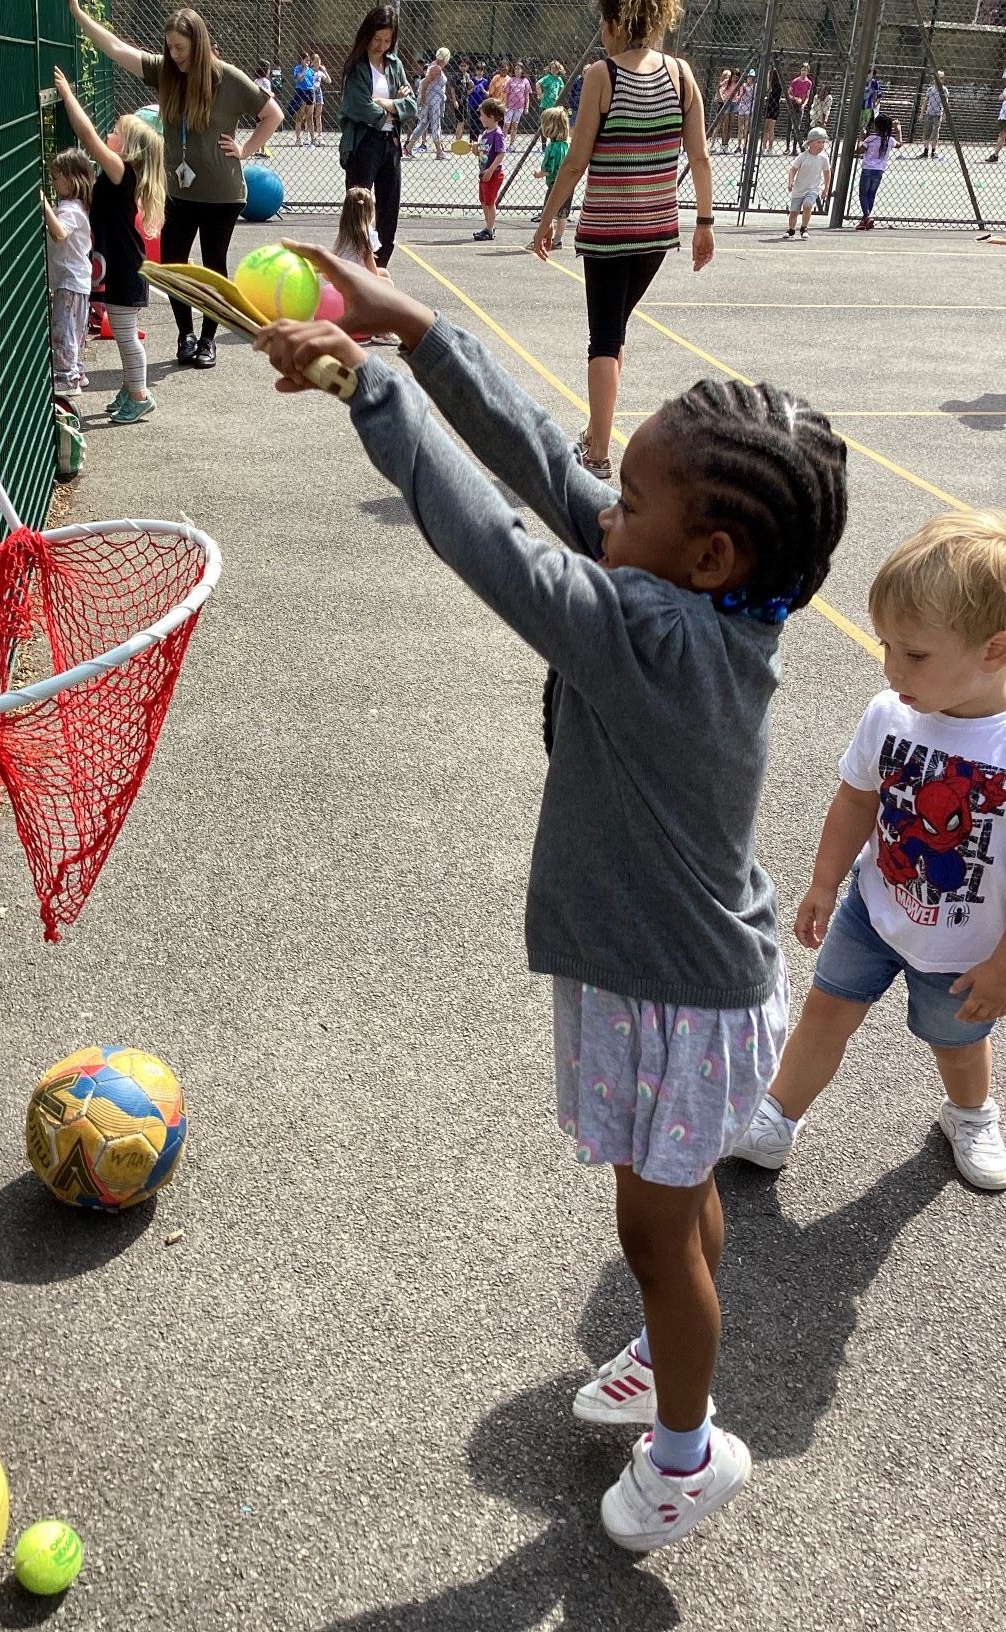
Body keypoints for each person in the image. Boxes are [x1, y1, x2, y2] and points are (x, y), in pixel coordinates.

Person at [254, 240, 849, 1551]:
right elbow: (547, 463)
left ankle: (686, 1455)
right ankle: (667, 1348)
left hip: (675, 999)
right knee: (682, 1214)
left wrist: (371, 387)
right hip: (694, 982)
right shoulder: (705, 601)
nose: (603, 510)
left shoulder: (652, 635)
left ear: (709, 551)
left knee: (654, 1229)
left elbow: (498, 545)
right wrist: (415, 326)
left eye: (630, 503)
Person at [733, 511, 1006, 1193]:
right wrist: (826, 883)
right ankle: (777, 1115)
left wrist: (1002, 964)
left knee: (958, 1040)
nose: (890, 666)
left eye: (914, 654)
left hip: (968, 947)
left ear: (993, 651)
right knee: (825, 1013)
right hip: (874, 909)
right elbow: (857, 799)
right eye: (886, 644)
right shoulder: (890, 714)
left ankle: (970, 1114)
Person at [533, 0, 714, 482]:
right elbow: (698, 156)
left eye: (602, 23)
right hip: (657, 232)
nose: (601, 31)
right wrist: (704, 221)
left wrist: (547, 219)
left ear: (617, 23)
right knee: (616, 332)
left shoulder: (601, 76)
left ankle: (597, 454)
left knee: (603, 338)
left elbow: (576, 161)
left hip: (609, 231)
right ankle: (596, 433)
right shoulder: (680, 74)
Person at [68, 1, 282, 369]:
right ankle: (185, 336)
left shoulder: (228, 78)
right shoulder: (166, 71)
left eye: (180, 48)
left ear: (197, 45)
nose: (173, 54)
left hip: (222, 194)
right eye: (169, 46)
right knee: (172, 263)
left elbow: (272, 113)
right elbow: (119, 50)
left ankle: (207, 340)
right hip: (179, 191)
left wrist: (245, 149)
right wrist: (78, 14)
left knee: (214, 267)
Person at [53, 66, 164, 424]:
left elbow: (87, 136)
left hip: (125, 270)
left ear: (128, 147)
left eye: (115, 133)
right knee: (123, 333)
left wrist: (68, 94)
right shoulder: (121, 173)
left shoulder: (121, 170)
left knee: (127, 337)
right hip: (120, 266)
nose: (108, 134)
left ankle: (139, 394)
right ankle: (132, 388)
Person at [338, 6, 417, 267]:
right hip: (363, 144)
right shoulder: (356, 67)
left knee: (389, 210)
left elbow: (413, 106)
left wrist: (384, 102)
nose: (382, 45)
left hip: (390, 144)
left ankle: (380, 267)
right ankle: (356, 265)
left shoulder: (394, 64)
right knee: (360, 206)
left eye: (387, 40)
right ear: (367, 34)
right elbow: (357, 105)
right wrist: (394, 107)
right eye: (377, 39)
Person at [41, 148, 95, 397]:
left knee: (64, 330)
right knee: (75, 329)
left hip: (70, 280)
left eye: (55, 178)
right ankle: (77, 371)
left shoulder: (70, 209)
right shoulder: (76, 206)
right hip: (76, 279)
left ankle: (66, 377)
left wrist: (43, 205)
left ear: (72, 178)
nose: (52, 184)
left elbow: (60, 233)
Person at [530, 105, 573, 249]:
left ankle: (542, 238)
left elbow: (548, 168)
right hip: (568, 185)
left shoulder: (552, 147)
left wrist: (539, 174)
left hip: (556, 184)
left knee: (548, 213)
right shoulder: (567, 145)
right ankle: (558, 240)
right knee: (563, 214)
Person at [783, 126, 830, 240]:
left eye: (823, 142)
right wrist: (790, 181)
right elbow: (793, 170)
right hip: (799, 189)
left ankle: (804, 228)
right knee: (794, 213)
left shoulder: (823, 158)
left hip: (813, 188)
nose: (821, 145)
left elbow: (827, 173)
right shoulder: (803, 156)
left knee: (807, 206)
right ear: (810, 143)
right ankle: (791, 230)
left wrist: (825, 189)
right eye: (819, 142)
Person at [856, 112, 901, 229]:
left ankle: (866, 216)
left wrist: (862, 137)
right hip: (879, 170)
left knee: (863, 194)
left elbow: (860, 150)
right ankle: (865, 220)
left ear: (876, 126)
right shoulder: (889, 140)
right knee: (871, 194)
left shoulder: (871, 139)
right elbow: (899, 144)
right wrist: (898, 130)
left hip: (867, 169)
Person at [405, 46, 450, 160]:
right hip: (433, 100)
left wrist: (424, 97)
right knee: (435, 124)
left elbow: (426, 83)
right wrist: (423, 97)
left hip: (432, 99)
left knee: (423, 123)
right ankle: (439, 152)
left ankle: (408, 148)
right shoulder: (437, 68)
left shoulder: (434, 66)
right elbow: (425, 82)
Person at [472, 97, 506, 241]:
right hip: (484, 173)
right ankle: (488, 226)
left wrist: (491, 169)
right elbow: (480, 152)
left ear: (491, 117)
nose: (480, 118)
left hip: (494, 173)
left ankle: (489, 230)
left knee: (490, 203)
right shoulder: (485, 133)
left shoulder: (497, 134)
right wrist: (475, 149)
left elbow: (501, 153)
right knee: (483, 201)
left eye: (483, 115)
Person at [538, 58, 567, 147]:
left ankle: (552, 142)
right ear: (550, 69)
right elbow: (538, 84)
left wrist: (559, 96)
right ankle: (543, 145)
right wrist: (540, 94)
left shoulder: (559, 79)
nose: (554, 70)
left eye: (556, 69)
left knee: (553, 125)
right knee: (544, 124)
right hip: (545, 105)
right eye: (553, 68)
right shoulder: (547, 78)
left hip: (554, 105)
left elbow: (562, 87)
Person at [503, 60, 532, 148]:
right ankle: (502, 143)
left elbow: (527, 95)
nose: (517, 70)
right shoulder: (510, 80)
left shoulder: (525, 81)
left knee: (515, 125)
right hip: (509, 105)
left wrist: (526, 107)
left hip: (519, 106)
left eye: (519, 69)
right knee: (506, 124)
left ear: (522, 70)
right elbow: (506, 94)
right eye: (516, 69)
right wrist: (504, 105)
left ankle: (511, 144)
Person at [787, 61, 812, 153]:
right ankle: (787, 147)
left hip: (800, 107)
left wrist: (804, 105)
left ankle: (794, 148)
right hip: (793, 105)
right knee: (789, 127)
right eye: (802, 70)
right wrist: (795, 98)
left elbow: (808, 97)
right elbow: (788, 94)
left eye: (805, 70)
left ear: (807, 72)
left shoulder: (809, 83)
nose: (803, 72)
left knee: (797, 127)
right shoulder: (795, 81)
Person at [920, 71, 944, 158]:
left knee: (935, 133)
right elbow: (925, 102)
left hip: (938, 114)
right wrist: (922, 113)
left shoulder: (944, 90)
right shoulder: (930, 89)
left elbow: (946, 103)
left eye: (940, 78)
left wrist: (944, 114)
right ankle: (926, 151)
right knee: (927, 132)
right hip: (929, 113)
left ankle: (933, 151)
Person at [311, 53, 332, 146]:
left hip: (318, 92)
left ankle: (320, 135)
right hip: (310, 92)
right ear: (312, 62)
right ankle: (310, 136)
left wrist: (325, 71)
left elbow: (329, 80)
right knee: (309, 114)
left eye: (318, 62)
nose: (317, 63)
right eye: (315, 62)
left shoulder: (320, 73)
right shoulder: (310, 71)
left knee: (318, 115)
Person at [466, 61, 491, 139]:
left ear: (483, 71)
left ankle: (484, 141)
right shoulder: (471, 80)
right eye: (478, 70)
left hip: (482, 106)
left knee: (483, 124)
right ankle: (473, 141)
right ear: (475, 71)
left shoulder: (485, 81)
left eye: (481, 70)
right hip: (473, 104)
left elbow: (488, 94)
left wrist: (484, 91)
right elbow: (467, 92)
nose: (479, 72)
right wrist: (473, 88)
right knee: (473, 124)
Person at [714, 67, 737, 151]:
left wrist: (737, 98)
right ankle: (722, 145)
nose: (735, 78)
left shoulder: (738, 84)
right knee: (725, 124)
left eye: (736, 76)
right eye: (733, 76)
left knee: (730, 125)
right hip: (726, 103)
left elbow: (742, 91)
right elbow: (719, 87)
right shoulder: (727, 82)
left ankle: (726, 145)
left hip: (734, 103)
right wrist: (723, 97)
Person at [735, 68, 756, 152]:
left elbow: (754, 96)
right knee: (740, 127)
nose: (749, 78)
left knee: (747, 127)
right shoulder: (743, 85)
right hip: (742, 106)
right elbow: (739, 96)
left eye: (751, 77)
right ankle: (739, 145)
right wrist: (741, 94)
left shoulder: (755, 86)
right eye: (749, 77)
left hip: (750, 107)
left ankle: (745, 146)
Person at [761, 65, 782, 151]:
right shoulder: (771, 85)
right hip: (769, 106)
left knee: (771, 129)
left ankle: (770, 148)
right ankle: (764, 147)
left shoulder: (777, 86)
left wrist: (767, 78)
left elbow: (769, 90)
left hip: (774, 106)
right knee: (766, 128)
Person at [988, 78, 1006, 162]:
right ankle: (995, 155)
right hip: (1004, 116)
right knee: (1002, 135)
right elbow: (1000, 97)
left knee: (1002, 136)